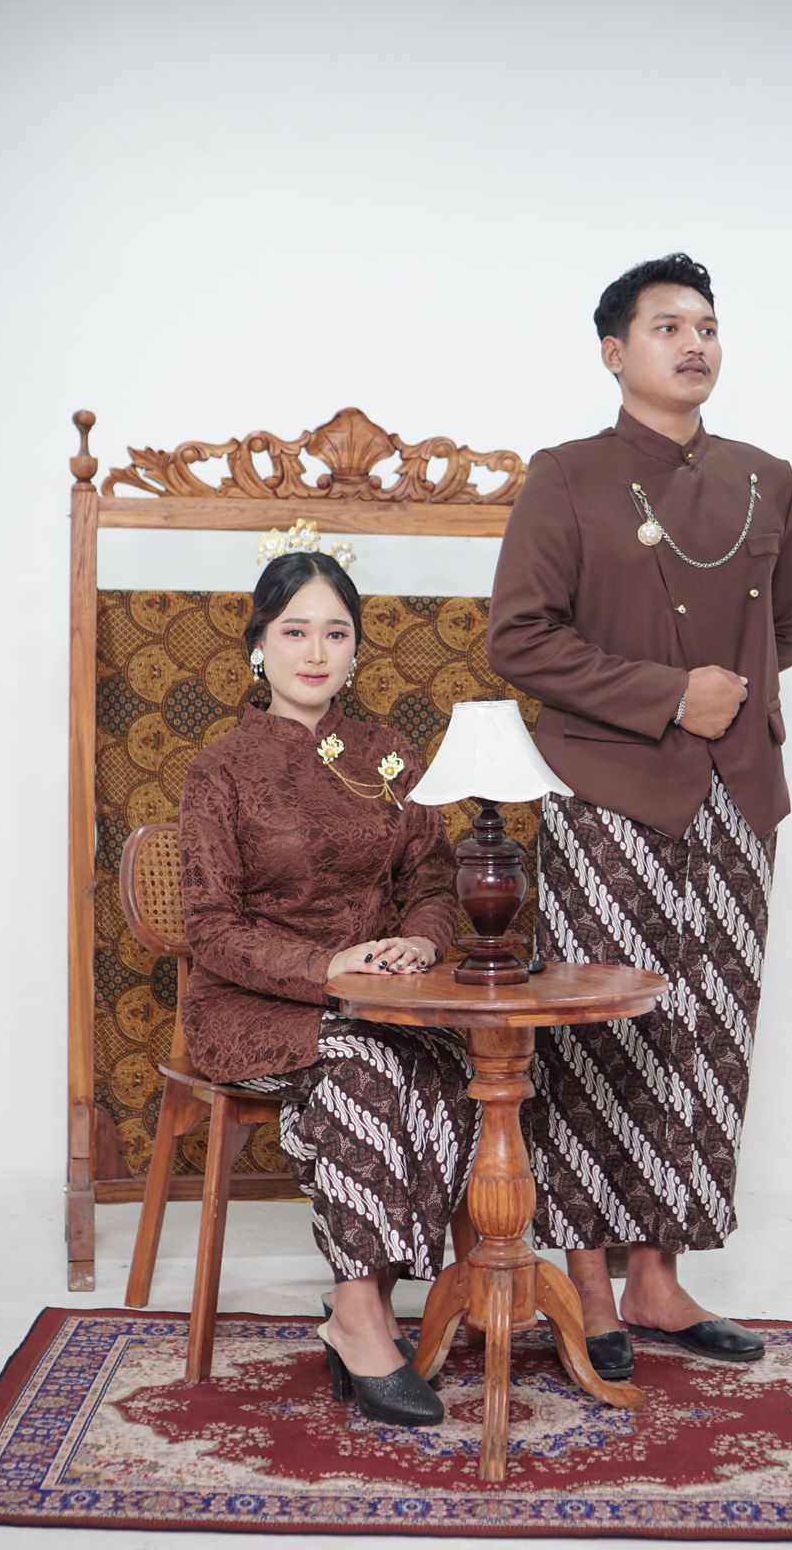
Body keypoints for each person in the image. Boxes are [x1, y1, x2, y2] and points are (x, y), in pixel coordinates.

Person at [487, 253, 792, 1380]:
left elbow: (789, 627)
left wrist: (727, 711)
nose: (695, 343)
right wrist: (669, 694)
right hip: (609, 793)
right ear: (613, 352)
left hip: (737, 794)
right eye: (668, 325)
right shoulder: (566, 477)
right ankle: (587, 1282)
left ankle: (659, 1279)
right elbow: (519, 638)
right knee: (601, 1033)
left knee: (708, 1033)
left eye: (707, 326)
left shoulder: (766, 478)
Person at [179, 543, 477, 1426]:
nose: (316, 652)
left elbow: (433, 882)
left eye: (336, 633)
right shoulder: (221, 768)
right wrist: (325, 967)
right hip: (249, 1007)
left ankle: (368, 1301)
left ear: (356, 648)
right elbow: (209, 927)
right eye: (294, 630)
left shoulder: (390, 756)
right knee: (364, 1067)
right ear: (258, 645)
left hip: (375, 1000)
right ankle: (359, 1316)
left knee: (449, 1064)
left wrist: (418, 943)